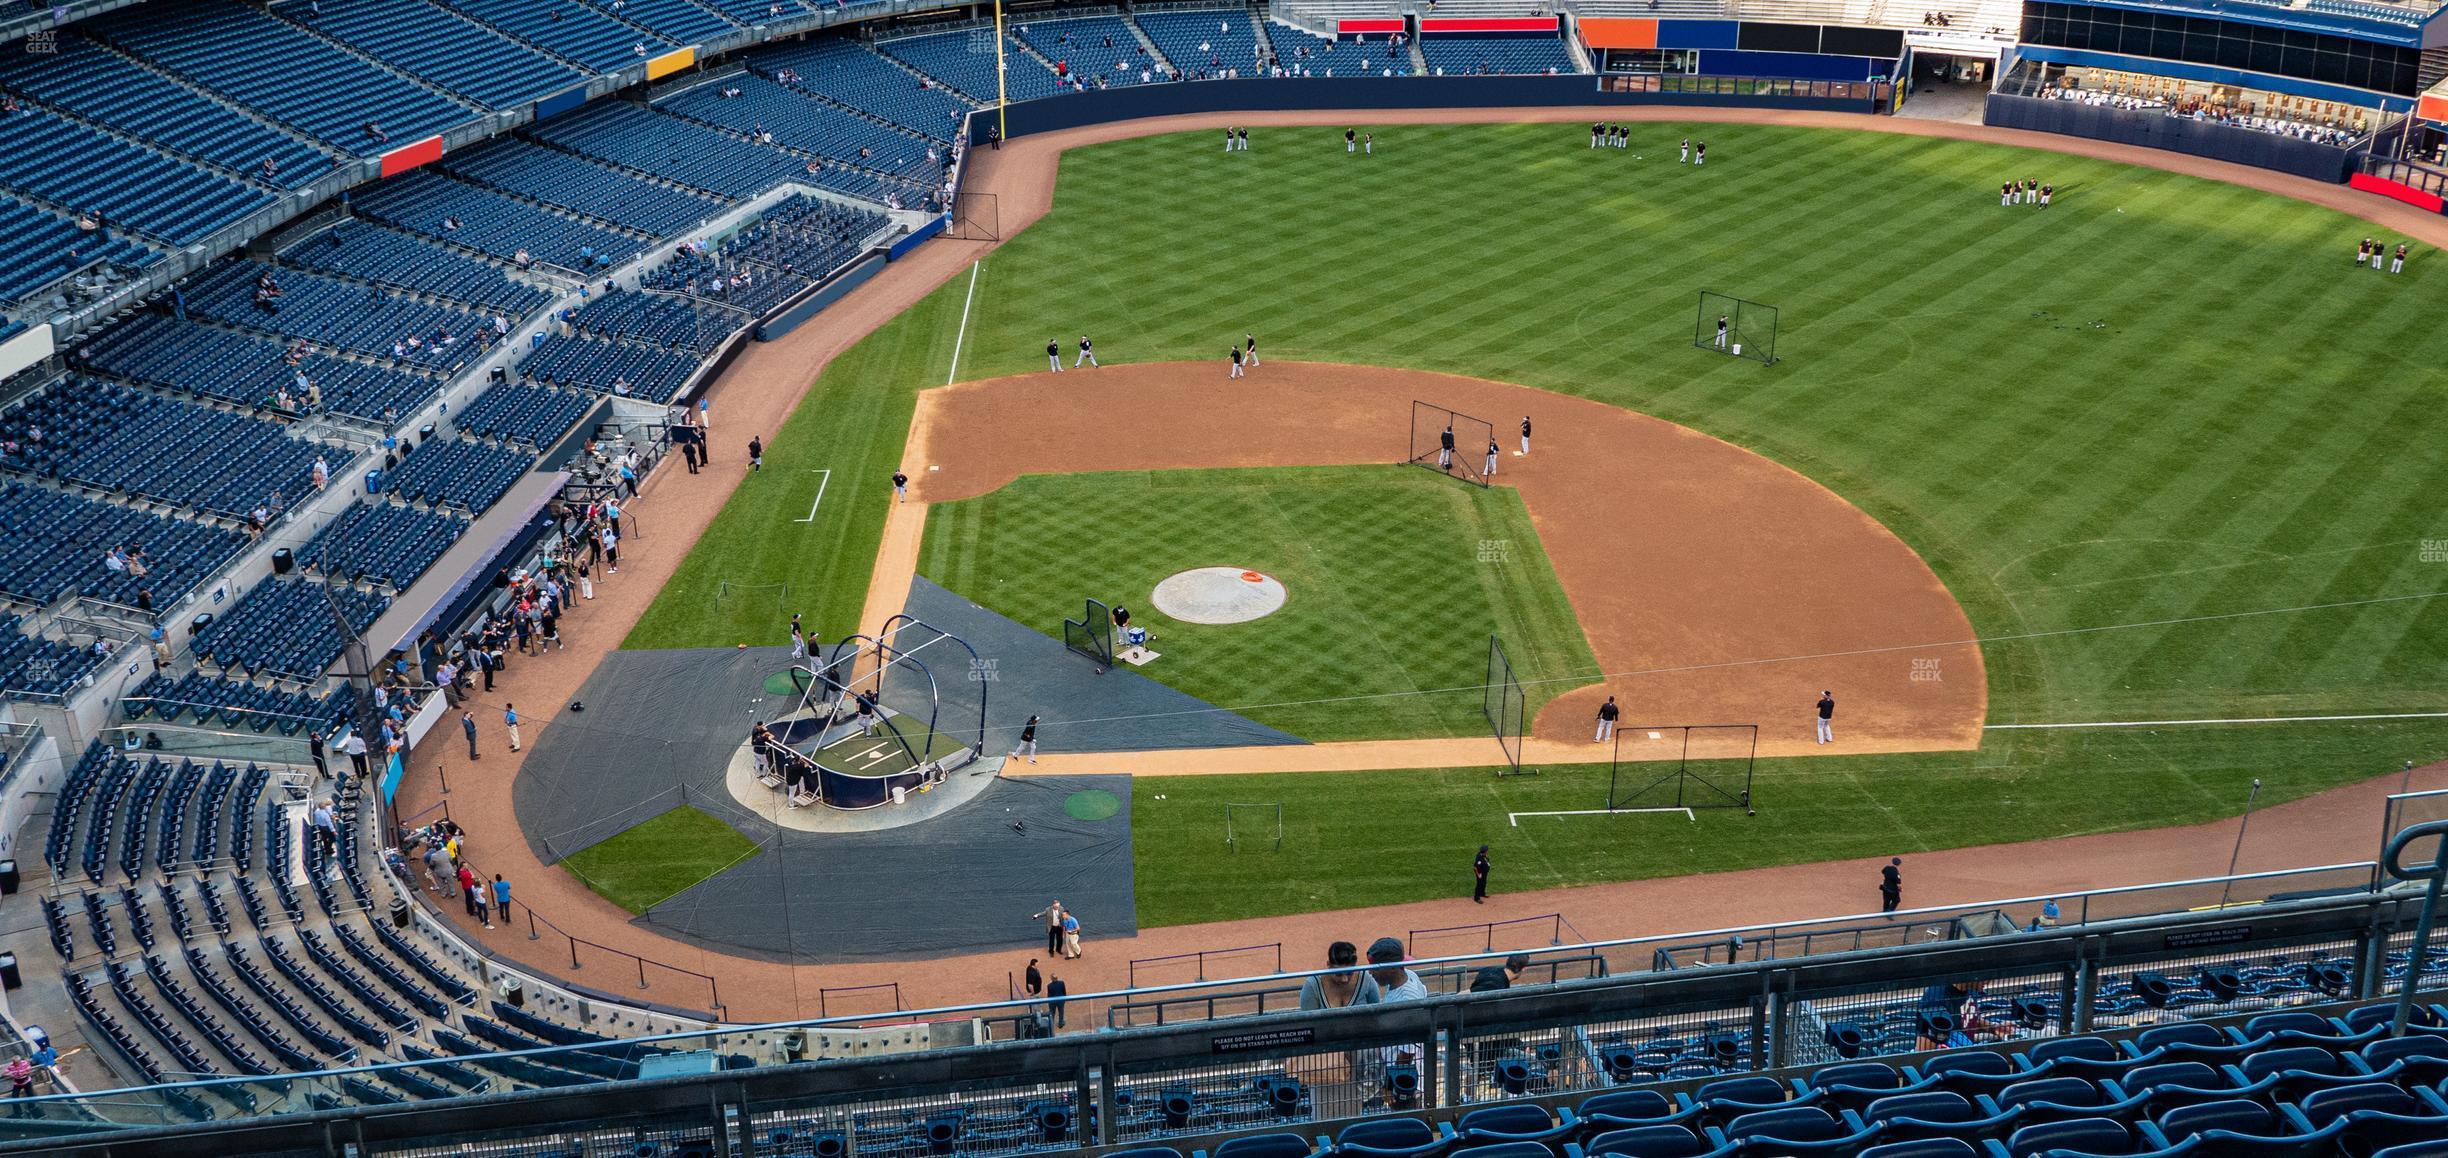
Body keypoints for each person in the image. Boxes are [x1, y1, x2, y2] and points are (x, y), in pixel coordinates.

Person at [1297, 941, 1384, 1010]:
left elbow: (1376, 1016)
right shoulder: (1313, 985)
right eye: (1338, 974)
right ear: (1328, 965)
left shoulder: (1366, 980)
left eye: (1350, 973)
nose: (1344, 979)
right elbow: (1309, 1025)